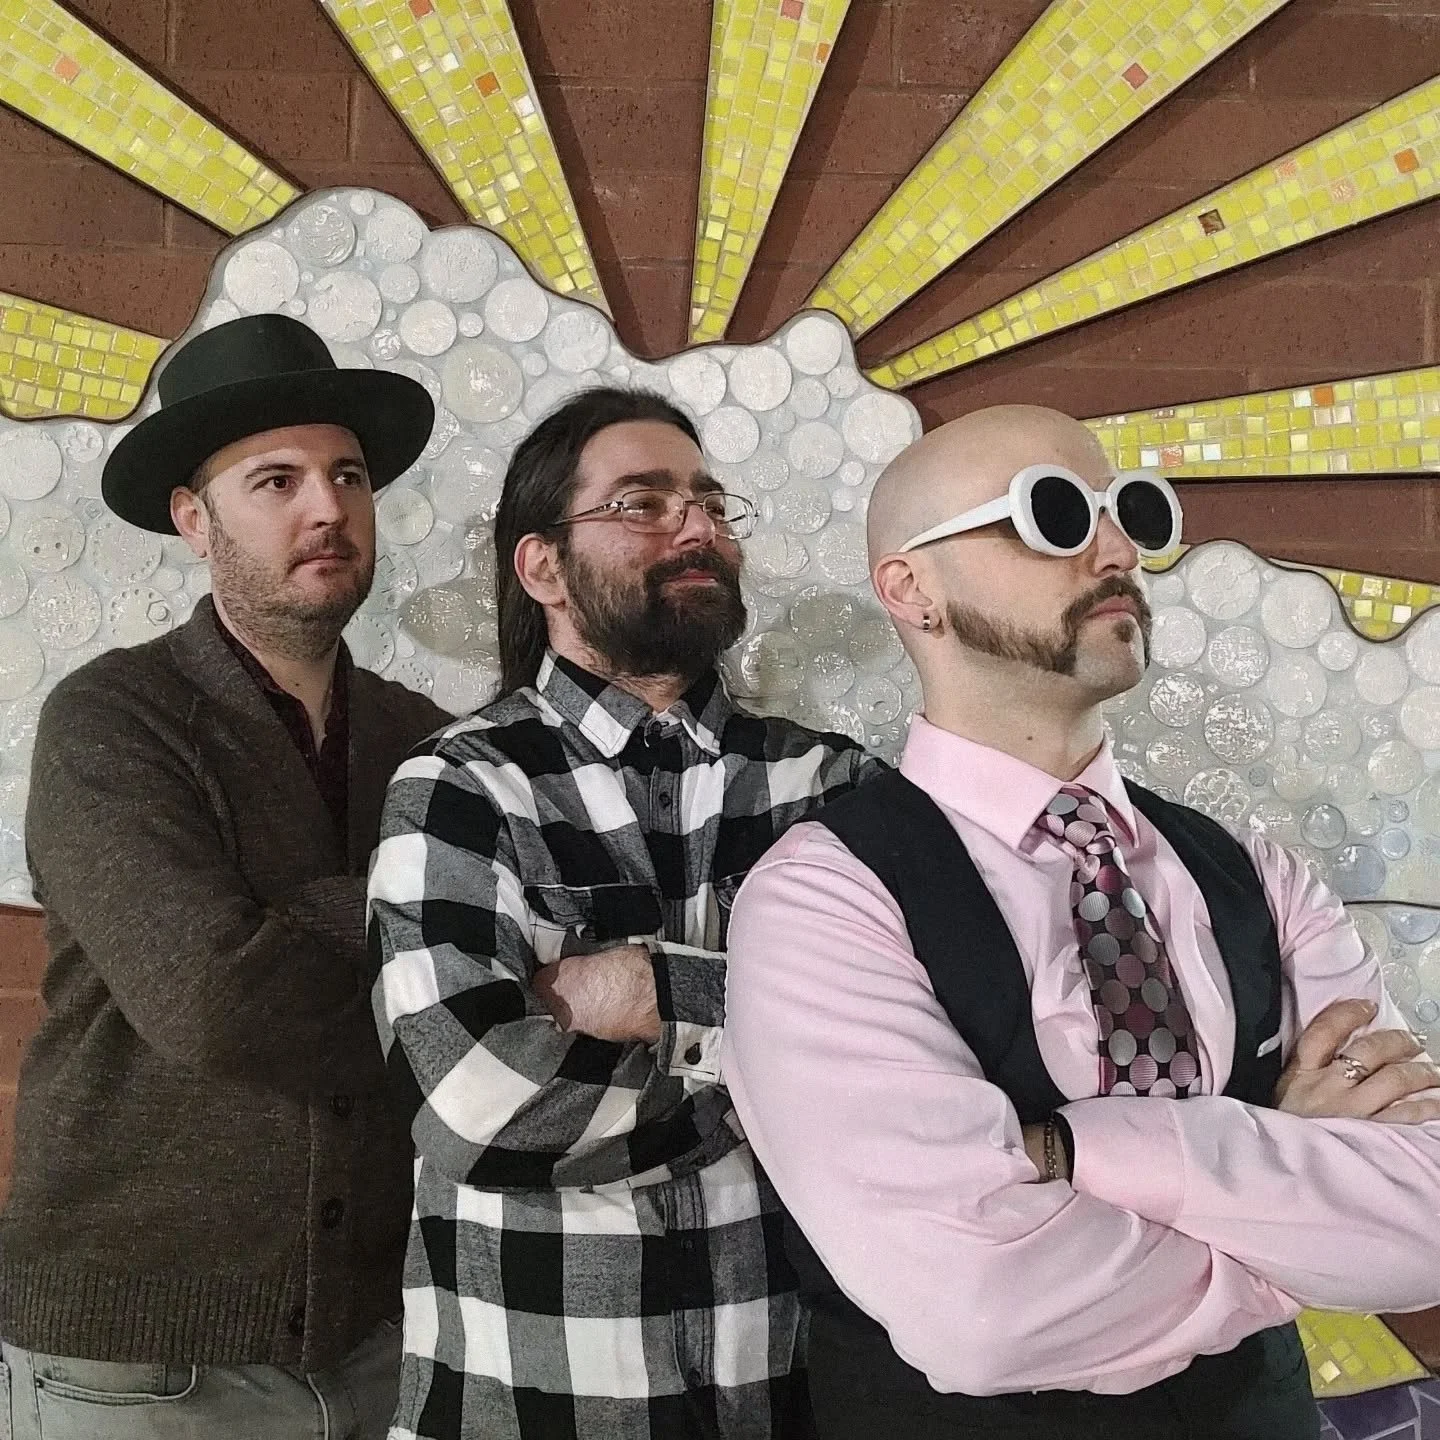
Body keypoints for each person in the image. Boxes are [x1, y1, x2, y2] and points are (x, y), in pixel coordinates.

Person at [723, 404, 1440, 1440]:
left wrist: (1073, 1150)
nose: (1118, 552)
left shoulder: (1257, 873)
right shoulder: (824, 897)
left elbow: (1425, 1217)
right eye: (1053, 515)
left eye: (1130, 512)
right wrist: (1289, 1204)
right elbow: (980, 1313)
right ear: (911, 589)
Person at [367, 386, 882, 1440]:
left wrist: (651, 990)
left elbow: (916, 1069)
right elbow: (471, 1102)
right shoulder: (463, 786)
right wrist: (777, 1065)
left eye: (710, 503)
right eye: (643, 504)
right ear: (543, 566)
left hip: (789, 1394)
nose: (697, 528)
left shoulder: (832, 785)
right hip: (529, 1405)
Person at [0, 314, 448, 1439]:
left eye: (348, 475)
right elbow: (211, 998)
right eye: (276, 481)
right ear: (194, 520)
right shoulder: (112, 719)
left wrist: (282, 926)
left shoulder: (427, 739)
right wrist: (420, 929)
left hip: (380, 1335)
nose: (327, 507)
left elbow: (488, 982)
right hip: (137, 1364)